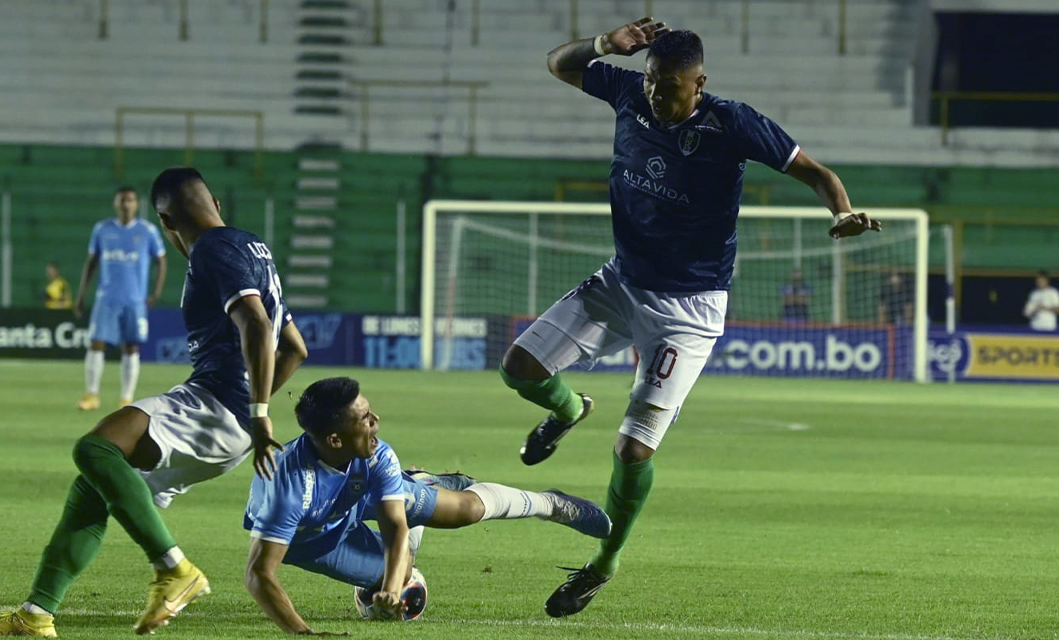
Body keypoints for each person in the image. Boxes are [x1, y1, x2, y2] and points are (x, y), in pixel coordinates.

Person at [498, 20, 884, 618]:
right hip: (621, 280)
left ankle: (604, 563)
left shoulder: (732, 122)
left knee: (633, 449)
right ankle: (568, 409)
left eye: (671, 86)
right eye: (653, 81)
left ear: (698, 83)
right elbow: (556, 62)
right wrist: (605, 44)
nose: (657, 94)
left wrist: (842, 212)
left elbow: (817, 172)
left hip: (688, 309)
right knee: (518, 368)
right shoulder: (629, 93)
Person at [0, 167, 308, 637]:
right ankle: (35, 616)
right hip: (228, 418)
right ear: (217, 206)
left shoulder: (212, 248)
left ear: (166, 222)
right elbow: (295, 348)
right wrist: (252, 414)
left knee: (95, 448)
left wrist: (259, 417)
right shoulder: (251, 247)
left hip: (215, 405)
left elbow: (258, 326)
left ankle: (175, 571)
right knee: (92, 488)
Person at [243, 377, 612, 634]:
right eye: (364, 420)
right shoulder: (288, 488)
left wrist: (388, 590)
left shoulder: (375, 454)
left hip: (358, 496)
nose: (376, 422)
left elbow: (395, 526)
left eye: (370, 412)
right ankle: (418, 483)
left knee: (465, 510)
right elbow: (259, 574)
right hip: (318, 541)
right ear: (335, 438)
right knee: (405, 574)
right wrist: (303, 633)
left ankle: (550, 503)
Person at [74, 186, 168, 410]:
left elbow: (161, 261)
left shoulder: (147, 231)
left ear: (137, 204)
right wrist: (81, 295)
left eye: (131, 200)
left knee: (131, 347)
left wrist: (155, 292)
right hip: (106, 298)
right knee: (96, 343)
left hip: (134, 300)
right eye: (122, 200)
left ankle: (126, 398)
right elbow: (91, 262)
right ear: (116, 203)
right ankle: (91, 395)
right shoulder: (102, 230)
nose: (126, 205)